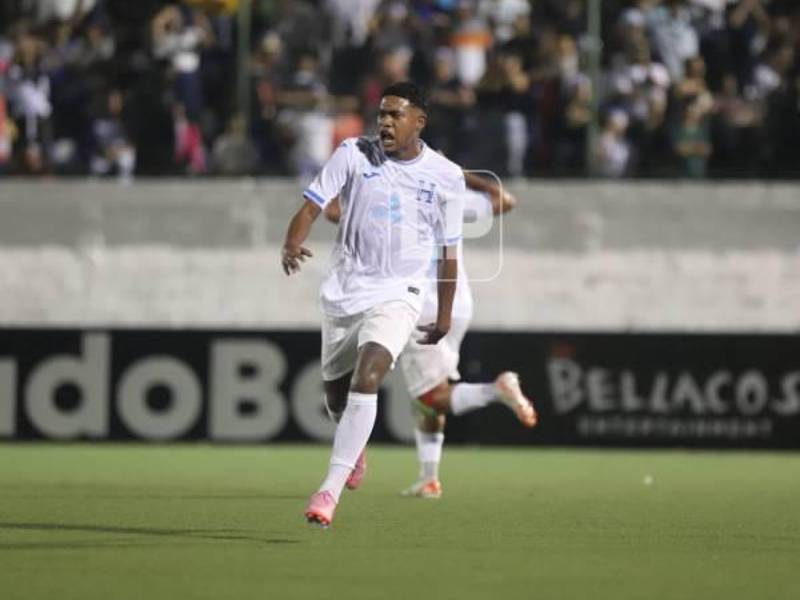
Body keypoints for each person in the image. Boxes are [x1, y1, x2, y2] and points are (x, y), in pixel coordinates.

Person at [281, 81, 466, 528]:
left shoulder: (447, 176)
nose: (384, 122)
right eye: (381, 114)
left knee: (370, 375)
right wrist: (292, 242)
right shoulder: (353, 153)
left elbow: (449, 253)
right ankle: (354, 445)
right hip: (345, 291)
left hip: (399, 293)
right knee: (335, 398)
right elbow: (311, 205)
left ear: (418, 122)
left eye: (394, 115)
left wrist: (443, 316)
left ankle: (328, 491)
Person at [324, 171, 538, 499]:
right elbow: (506, 201)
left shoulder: (392, 201)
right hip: (458, 302)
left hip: (417, 302)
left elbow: (333, 211)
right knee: (428, 396)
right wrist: (465, 176)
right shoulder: (454, 201)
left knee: (429, 396)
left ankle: (495, 390)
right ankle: (429, 478)